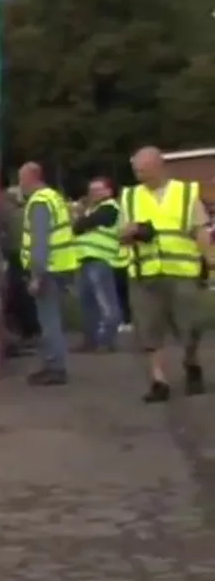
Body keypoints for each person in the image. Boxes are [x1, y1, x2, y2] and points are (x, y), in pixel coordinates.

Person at [119, 146, 212, 403]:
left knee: (189, 325)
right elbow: (120, 234)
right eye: (136, 170)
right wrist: (129, 232)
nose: (138, 174)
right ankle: (159, 381)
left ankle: (191, 363)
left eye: (143, 170)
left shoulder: (185, 194)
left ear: (159, 167)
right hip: (145, 273)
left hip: (182, 272)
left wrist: (209, 260)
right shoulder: (130, 196)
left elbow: (200, 230)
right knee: (148, 328)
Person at [17, 162, 76, 386]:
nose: (20, 185)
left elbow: (39, 242)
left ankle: (54, 367)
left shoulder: (39, 202)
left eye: (21, 179)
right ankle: (53, 364)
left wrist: (36, 275)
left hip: (48, 269)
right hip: (60, 265)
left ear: (31, 178)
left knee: (49, 321)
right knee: (53, 318)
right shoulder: (54, 197)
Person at [70, 176, 128, 353]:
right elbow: (79, 226)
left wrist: (82, 221)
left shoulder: (110, 207)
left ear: (109, 191)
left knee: (106, 304)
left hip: (100, 260)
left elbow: (82, 224)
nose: (93, 193)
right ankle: (91, 341)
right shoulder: (92, 209)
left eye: (98, 189)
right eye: (91, 190)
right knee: (87, 305)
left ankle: (105, 340)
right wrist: (82, 222)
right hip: (84, 260)